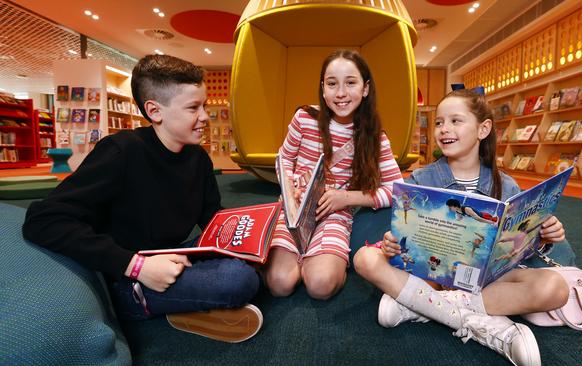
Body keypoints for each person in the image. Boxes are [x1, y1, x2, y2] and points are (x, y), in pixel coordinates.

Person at [22, 54, 262, 343]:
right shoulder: (120, 152)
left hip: (171, 255)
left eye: (204, 106)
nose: (204, 117)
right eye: (193, 108)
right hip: (125, 274)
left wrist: (247, 236)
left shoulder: (197, 158)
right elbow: (43, 219)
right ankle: (158, 306)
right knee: (238, 280)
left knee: (252, 257)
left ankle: (187, 304)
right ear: (154, 111)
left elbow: (212, 219)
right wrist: (137, 266)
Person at [354, 89, 574, 366]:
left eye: (456, 121)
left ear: (483, 129)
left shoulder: (505, 185)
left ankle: (419, 306)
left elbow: (518, 245)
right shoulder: (422, 178)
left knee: (555, 288)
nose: (444, 129)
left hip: (486, 282)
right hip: (433, 276)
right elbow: (405, 235)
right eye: (439, 122)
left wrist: (544, 236)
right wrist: (392, 242)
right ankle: (490, 328)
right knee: (365, 258)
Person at [265, 49, 403, 300]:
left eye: (350, 82)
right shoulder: (304, 118)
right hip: (293, 212)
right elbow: (283, 158)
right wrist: (290, 187)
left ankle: (314, 258)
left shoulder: (375, 137)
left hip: (335, 216)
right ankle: (300, 256)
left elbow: (397, 190)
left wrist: (346, 198)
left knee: (320, 286)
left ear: (365, 88)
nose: (340, 93)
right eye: (332, 84)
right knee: (278, 283)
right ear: (323, 88)